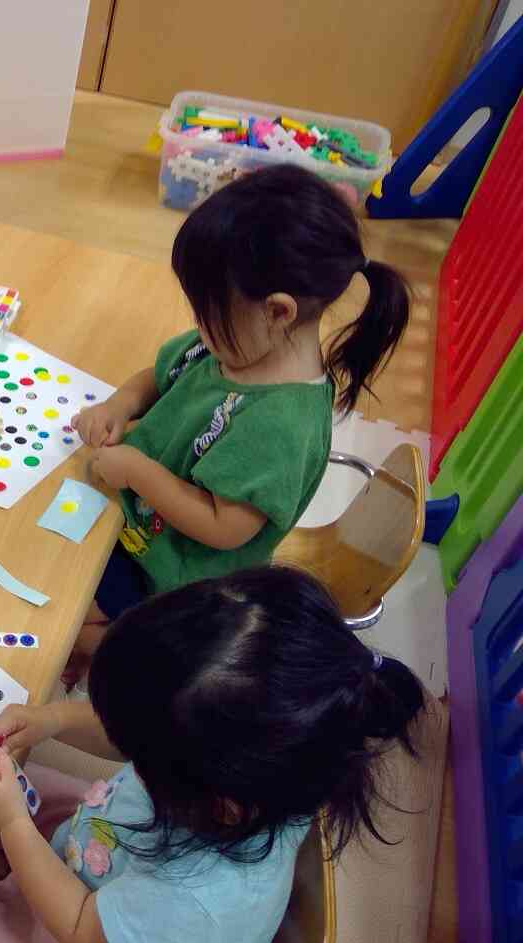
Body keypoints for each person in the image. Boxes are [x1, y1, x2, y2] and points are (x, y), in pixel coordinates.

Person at [0, 566, 427, 943]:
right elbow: (136, 732)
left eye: (139, 753)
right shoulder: (264, 761)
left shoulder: (196, 906)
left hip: (87, 925)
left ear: (215, 801)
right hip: (107, 846)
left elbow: (82, 928)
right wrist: (52, 721)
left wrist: (14, 825)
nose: (128, 751)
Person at [68, 164, 410, 674]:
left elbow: (224, 527)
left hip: (177, 569)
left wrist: (136, 471)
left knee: (70, 617)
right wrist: (118, 405)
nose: (198, 326)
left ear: (278, 312)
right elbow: (159, 375)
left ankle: (158, 671)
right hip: (135, 519)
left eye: (207, 311)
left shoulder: (278, 426)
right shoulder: (232, 347)